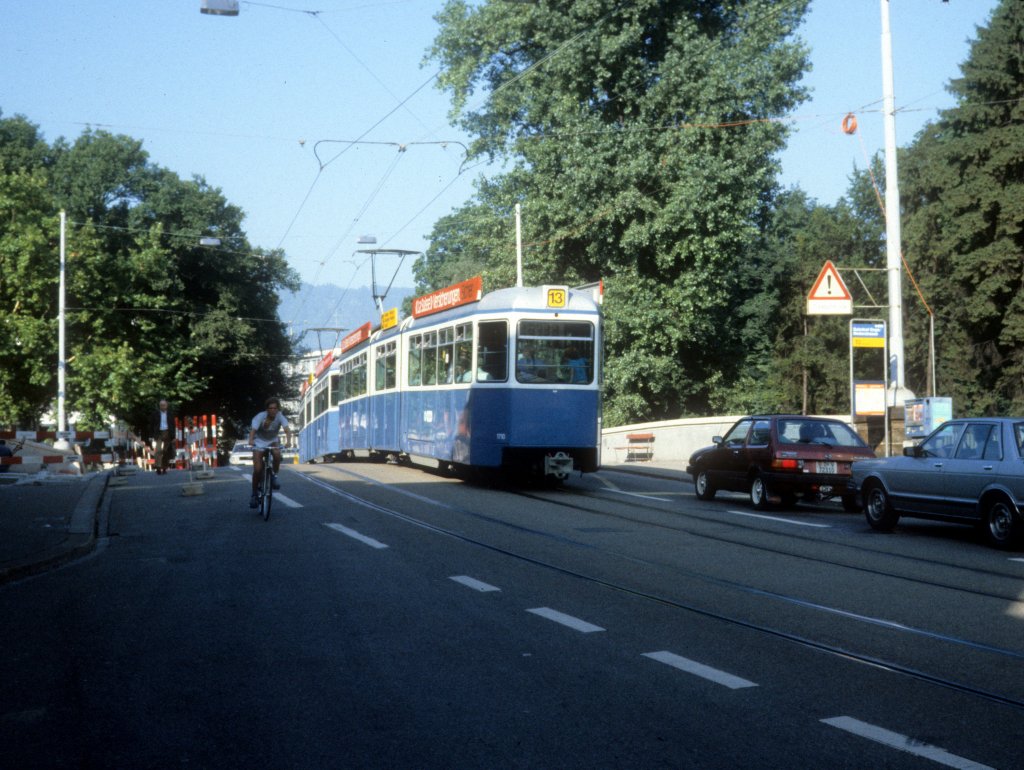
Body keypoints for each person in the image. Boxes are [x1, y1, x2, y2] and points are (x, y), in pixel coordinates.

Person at [249, 397, 291, 509]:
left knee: (277, 454)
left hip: (273, 440)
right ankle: (254, 494)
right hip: (259, 441)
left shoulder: (280, 416)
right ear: (267, 409)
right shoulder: (260, 416)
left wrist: (288, 441)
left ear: (278, 409)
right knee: (257, 469)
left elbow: (287, 429)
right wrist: (251, 440)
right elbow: (253, 431)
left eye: (275, 408)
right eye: (270, 408)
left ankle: (274, 476)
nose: (273, 410)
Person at [148, 399, 176, 474]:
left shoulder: (170, 414)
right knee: (158, 450)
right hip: (159, 433)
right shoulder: (155, 414)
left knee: (165, 451)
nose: (162, 407)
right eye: (161, 405)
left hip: (168, 433)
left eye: (164, 405)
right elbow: (151, 425)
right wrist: (150, 436)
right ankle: (158, 467)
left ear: (166, 406)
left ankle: (164, 467)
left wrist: (173, 437)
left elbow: (173, 425)